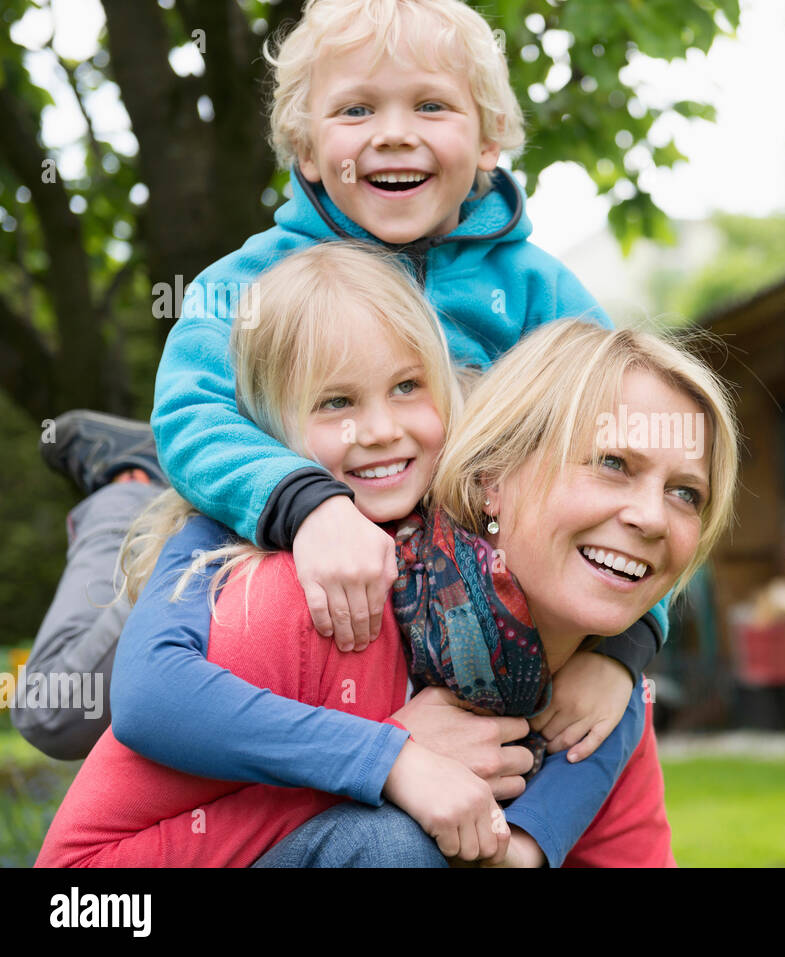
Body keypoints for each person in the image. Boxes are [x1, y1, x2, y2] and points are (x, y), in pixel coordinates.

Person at [17, 0, 667, 762]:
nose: (394, 132)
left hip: (435, 563)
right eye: (356, 108)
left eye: (430, 104)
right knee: (64, 711)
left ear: (489, 140)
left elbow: (650, 471)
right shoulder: (252, 280)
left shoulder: (539, 297)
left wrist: (624, 646)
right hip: (263, 514)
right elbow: (192, 407)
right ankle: (126, 489)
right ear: (308, 146)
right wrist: (310, 507)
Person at [36, 244, 740, 867]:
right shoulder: (314, 588)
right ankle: (127, 490)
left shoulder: (603, 679)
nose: (649, 516)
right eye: (612, 463)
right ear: (495, 478)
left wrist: (528, 839)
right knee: (60, 705)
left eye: (686, 493)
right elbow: (148, 696)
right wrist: (387, 755)